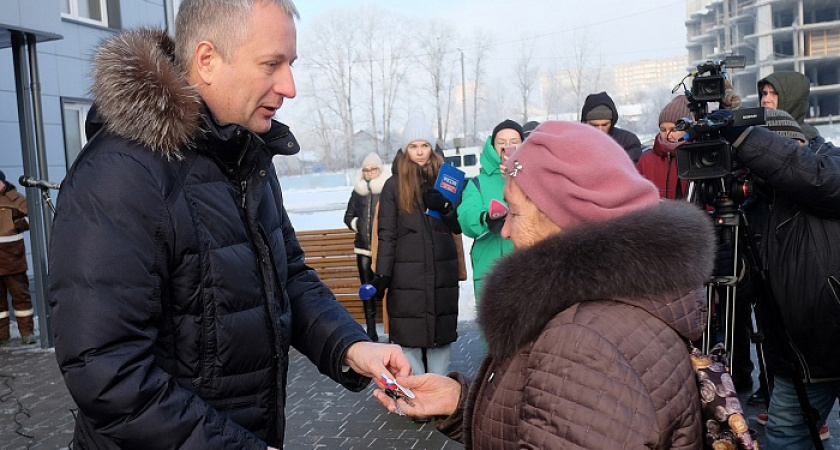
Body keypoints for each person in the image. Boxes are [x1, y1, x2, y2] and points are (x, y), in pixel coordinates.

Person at [47, 1, 410, 448]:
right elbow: (108, 374)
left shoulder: (245, 154)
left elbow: (288, 277)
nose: (290, 86)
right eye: (271, 64)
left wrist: (351, 347)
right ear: (207, 60)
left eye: (291, 64)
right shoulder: (121, 175)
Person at [374, 121, 715, 448]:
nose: (505, 231)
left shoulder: (582, 345)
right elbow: (550, 417)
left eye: (515, 213)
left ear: (563, 218)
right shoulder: (597, 312)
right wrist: (463, 401)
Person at [714, 109, 840, 449]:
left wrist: (743, 138)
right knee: (784, 438)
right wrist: (731, 264)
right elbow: (752, 290)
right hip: (796, 358)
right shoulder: (756, 205)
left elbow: (813, 177)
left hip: (833, 337)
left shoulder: (830, 163)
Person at [371, 116, 461, 377]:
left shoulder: (447, 179)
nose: (420, 152)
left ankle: (438, 389)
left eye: (424, 145)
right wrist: (382, 275)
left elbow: (457, 227)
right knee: (409, 342)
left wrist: (445, 206)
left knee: (440, 342)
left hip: (441, 273)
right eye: (413, 146)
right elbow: (387, 234)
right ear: (405, 149)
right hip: (406, 277)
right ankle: (417, 391)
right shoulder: (393, 186)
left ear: (432, 147)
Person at [456, 119, 519, 305]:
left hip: (529, 267)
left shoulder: (536, 177)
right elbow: (466, 216)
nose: (507, 147)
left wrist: (517, 177)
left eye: (514, 142)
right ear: (492, 147)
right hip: (490, 269)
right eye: (501, 142)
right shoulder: (478, 183)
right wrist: (486, 219)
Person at [344, 152, 388, 341]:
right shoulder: (358, 191)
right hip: (363, 249)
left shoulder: (387, 189)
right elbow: (348, 216)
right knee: (367, 288)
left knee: (386, 287)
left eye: (373, 169)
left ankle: (392, 327)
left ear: (379, 170)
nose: (369, 173)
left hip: (384, 248)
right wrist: (358, 225)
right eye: (366, 170)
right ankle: (371, 330)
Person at [0, 170, 35, 346]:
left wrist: (17, 223)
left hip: (14, 258)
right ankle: (2, 335)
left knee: (20, 296)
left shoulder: (16, 199)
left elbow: (33, 216)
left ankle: (27, 333)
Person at [636, 95, 692, 200]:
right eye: (663, 130)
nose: (668, 135)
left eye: (673, 130)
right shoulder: (646, 161)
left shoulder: (698, 158)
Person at [581, 91, 643, 162]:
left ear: (612, 122)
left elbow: (630, 167)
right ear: (585, 123)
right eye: (594, 125)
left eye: (605, 125)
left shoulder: (628, 142)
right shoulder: (576, 143)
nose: (600, 130)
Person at [758, 71, 820, 141]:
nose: (765, 100)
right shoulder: (756, 132)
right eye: (764, 93)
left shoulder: (805, 137)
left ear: (791, 99)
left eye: (774, 94)